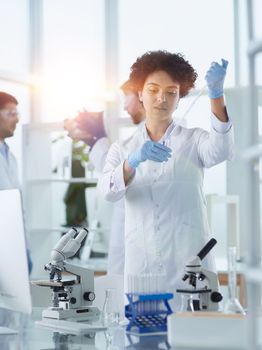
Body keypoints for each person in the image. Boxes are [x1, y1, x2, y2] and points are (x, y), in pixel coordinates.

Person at [99, 50, 234, 309]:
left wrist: (216, 95)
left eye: (171, 92)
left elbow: (221, 150)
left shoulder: (193, 140)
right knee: (143, 339)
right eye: (153, 90)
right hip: (143, 271)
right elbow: (108, 191)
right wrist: (132, 161)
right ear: (140, 94)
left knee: (195, 339)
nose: (162, 98)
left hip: (190, 265)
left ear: (179, 98)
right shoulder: (123, 148)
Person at [64, 80, 145, 274]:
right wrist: (92, 139)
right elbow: (113, 174)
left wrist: (96, 138)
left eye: (127, 97)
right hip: (128, 237)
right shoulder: (133, 139)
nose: (124, 105)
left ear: (142, 95)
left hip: (140, 241)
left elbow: (116, 174)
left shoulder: (143, 141)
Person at [0, 91, 33, 274]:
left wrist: (25, 248)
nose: (17, 120)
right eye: (11, 113)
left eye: (17, 114)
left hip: (18, 247)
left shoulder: (10, 156)